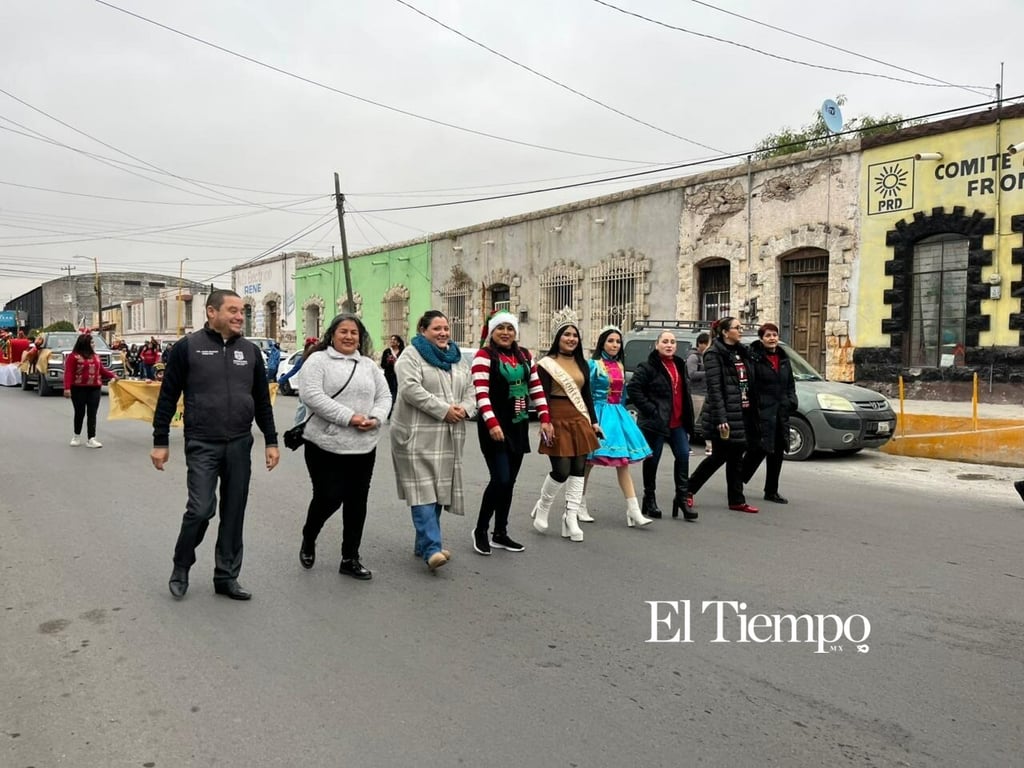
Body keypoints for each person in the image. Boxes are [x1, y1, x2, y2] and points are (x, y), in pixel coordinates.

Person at [151, 289, 280, 601]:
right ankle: (182, 564)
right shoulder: (187, 348)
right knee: (200, 509)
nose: (239, 316)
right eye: (233, 310)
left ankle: (226, 576)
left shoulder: (249, 351)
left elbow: (262, 400)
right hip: (202, 443)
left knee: (234, 512)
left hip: (239, 444)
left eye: (241, 311)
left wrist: (271, 441)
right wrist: (160, 441)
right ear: (211, 312)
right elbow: (167, 396)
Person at [298, 314, 392, 580]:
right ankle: (309, 535)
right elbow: (312, 396)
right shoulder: (318, 361)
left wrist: (375, 417)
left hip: (363, 446)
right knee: (329, 497)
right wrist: (350, 417)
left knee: (356, 502)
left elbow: (384, 395)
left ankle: (350, 557)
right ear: (332, 334)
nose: (350, 337)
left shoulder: (368, 365)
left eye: (354, 333)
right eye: (344, 331)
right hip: (324, 444)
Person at [391, 310, 476, 570]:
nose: (443, 333)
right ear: (423, 331)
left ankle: (424, 544)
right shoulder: (411, 355)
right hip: (415, 435)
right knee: (422, 490)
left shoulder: (457, 357)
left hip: (447, 436)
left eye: (446, 328)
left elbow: (471, 388)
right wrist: (444, 410)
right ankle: (432, 548)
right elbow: (410, 389)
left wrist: (465, 408)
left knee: (438, 491)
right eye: (436, 328)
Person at [471, 311, 553, 556]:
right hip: (493, 427)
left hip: (518, 425)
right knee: (501, 479)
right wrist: (492, 422)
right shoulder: (483, 356)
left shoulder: (525, 356)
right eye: (500, 328)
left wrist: (546, 418)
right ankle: (480, 530)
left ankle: (500, 533)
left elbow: (536, 388)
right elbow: (481, 393)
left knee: (510, 483)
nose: (505, 333)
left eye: (510, 328)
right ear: (492, 332)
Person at [530, 308, 602, 542]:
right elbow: (542, 395)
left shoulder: (582, 363)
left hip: (578, 417)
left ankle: (570, 517)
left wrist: (593, 421)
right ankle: (543, 506)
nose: (571, 339)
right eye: (566, 334)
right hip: (556, 417)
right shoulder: (546, 364)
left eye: (574, 335)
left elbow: (587, 394)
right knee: (561, 470)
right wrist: (545, 420)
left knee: (578, 469)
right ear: (557, 338)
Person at [687, 316, 760, 514]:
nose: (741, 330)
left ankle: (736, 499)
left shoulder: (740, 352)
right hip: (724, 415)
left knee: (736, 458)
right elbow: (715, 389)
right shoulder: (713, 354)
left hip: (741, 411)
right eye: (737, 328)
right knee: (718, 457)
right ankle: (687, 490)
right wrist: (721, 418)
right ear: (725, 332)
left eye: (741, 327)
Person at [583, 326, 654, 527]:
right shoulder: (593, 365)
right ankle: (579, 504)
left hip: (617, 414)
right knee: (587, 462)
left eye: (617, 341)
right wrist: (589, 418)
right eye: (610, 341)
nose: (615, 345)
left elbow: (622, 395)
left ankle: (633, 510)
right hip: (597, 414)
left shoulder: (621, 366)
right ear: (602, 343)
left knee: (622, 462)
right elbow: (585, 393)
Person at [626, 330, 697, 521]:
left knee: (683, 456)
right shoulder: (648, 366)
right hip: (656, 422)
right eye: (665, 341)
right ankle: (649, 498)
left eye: (672, 342)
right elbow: (633, 388)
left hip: (678, 421)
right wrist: (650, 409)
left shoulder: (680, 364)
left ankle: (681, 499)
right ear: (657, 345)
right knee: (653, 460)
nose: (669, 345)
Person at [740, 323, 798, 504]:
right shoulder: (754, 359)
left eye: (774, 335)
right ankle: (737, 481)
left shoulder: (783, 358)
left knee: (777, 452)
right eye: (768, 336)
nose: (772, 338)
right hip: (762, 413)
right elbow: (749, 385)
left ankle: (771, 490)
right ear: (761, 339)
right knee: (757, 450)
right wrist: (756, 406)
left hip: (780, 412)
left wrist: (791, 401)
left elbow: (790, 385)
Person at [63, 333, 118, 448]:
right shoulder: (73, 357)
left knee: (92, 413)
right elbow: (68, 373)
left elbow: (101, 370)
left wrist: (112, 375)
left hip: (95, 388)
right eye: (92, 342)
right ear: (85, 344)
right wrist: (67, 388)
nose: (93, 345)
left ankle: (91, 438)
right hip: (78, 388)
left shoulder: (95, 356)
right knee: (80, 413)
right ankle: (76, 436)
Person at [687, 332, 712, 455]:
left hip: (707, 392)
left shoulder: (706, 357)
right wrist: (708, 373)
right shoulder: (694, 357)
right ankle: (685, 444)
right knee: (692, 419)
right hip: (696, 393)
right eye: (708, 344)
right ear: (701, 344)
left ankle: (709, 446)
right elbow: (691, 374)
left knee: (708, 421)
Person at [380, 334, 405, 415]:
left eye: (394, 340)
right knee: (390, 393)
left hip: (400, 376)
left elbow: (406, 364)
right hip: (389, 376)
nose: (392, 341)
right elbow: (382, 365)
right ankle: (390, 411)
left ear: (398, 342)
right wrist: (388, 362)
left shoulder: (403, 352)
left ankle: (396, 411)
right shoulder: (387, 352)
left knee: (399, 393)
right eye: (391, 340)